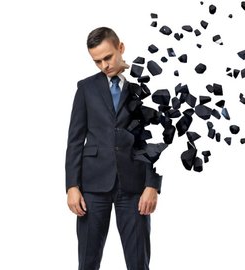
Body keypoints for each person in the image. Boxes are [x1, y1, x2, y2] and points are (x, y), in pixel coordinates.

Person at [65, 26, 162, 270]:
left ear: (121, 47)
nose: (104, 66)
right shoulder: (85, 89)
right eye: (97, 61)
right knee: (87, 261)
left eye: (107, 57)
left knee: (138, 262)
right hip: (92, 186)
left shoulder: (145, 86)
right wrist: (72, 186)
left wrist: (152, 185)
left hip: (134, 187)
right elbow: (75, 140)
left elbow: (156, 139)